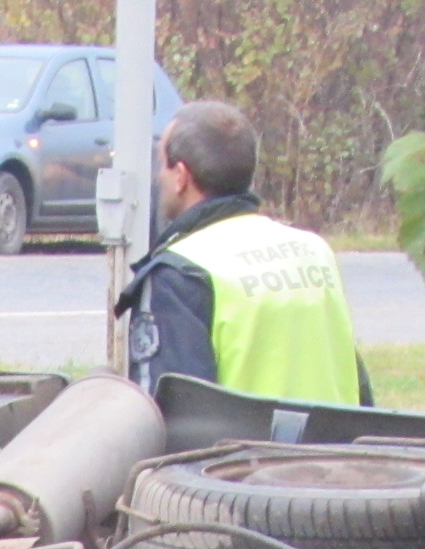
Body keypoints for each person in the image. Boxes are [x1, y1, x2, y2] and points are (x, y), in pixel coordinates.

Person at [118, 100, 367, 406]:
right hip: (336, 454)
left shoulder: (179, 273)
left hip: (246, 454)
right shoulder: (314, 252)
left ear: (182, 176)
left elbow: (165, 416)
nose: (159, 178)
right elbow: (356, 386)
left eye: (163, 166)